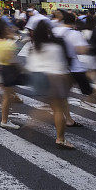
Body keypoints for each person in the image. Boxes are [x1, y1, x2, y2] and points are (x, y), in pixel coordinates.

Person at [26, 19, 74, 149]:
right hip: (54, 78)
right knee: (58, 109)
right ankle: (60, 139)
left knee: (50, 105)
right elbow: (61, 67)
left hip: (38, 78)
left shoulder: (33, 47)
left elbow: (30, 66)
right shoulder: (55, 47)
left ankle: (34, 120)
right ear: (49, 31)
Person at [0, 17, 21, 129]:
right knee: (7, 96)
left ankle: (5, 97)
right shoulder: (8, 44)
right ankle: (4, 120)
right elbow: (12, 59)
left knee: (9, 94)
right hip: (8, 70)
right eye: (7, 29)